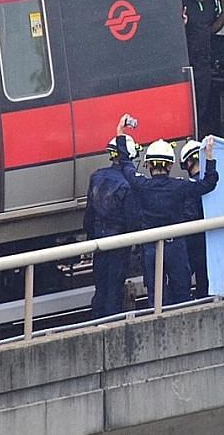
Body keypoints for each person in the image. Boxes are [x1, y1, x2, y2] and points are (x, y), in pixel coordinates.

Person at [114, 115, 219, 307]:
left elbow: (126, 166)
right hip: (176, 247)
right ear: (170, 165)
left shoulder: (141, 185)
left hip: (151, 248)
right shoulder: (179, 187)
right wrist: (209, 157)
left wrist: (121, 133)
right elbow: (208, 183)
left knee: (157, 298)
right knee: (182, 295)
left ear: (149, 164)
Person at [84, 135, 141, 318]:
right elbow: (132, 219)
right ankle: (111, 323)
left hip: (99, 242)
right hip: (119, 243)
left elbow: (89, 215)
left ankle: (96, 322)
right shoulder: (127, 184)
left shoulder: (97, 177)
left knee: (100, 287)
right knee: (114, 290)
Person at [182, 0, 224, 138]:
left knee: (203, 102)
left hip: (204, 62)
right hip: (186, 62)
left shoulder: (210, 2)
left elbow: (211, 29)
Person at [179, 139, 210, 298]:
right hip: (211, 237)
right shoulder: (210, 182)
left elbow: (189, 214)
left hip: (194, 239)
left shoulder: (190, 187)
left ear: (190, 161)